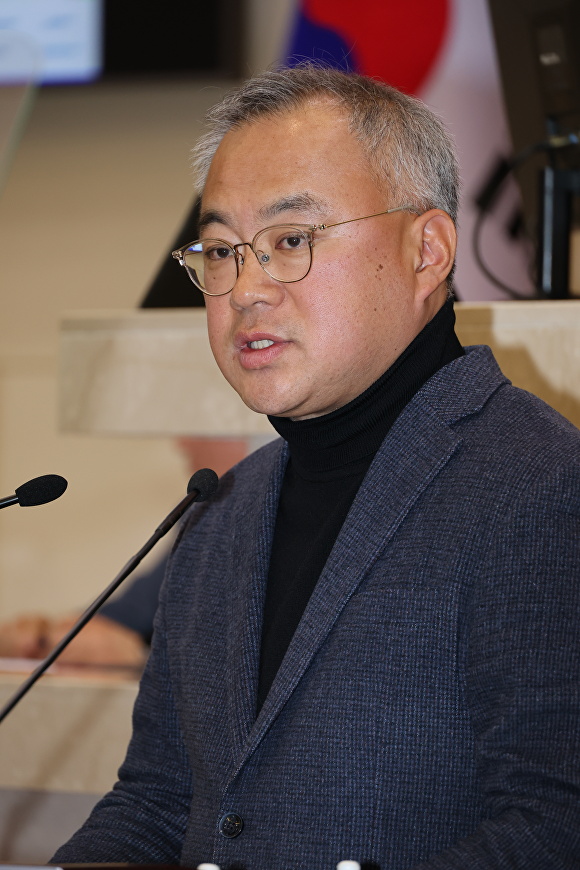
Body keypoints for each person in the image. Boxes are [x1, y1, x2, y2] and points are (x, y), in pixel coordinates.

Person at [52, 65, 580, 869]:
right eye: (222, 251)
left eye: (291, 241)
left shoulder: (537, 485)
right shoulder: (224, 509)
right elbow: (157, 803)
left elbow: (555, 827)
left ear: (428, 251)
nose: (246, 289)